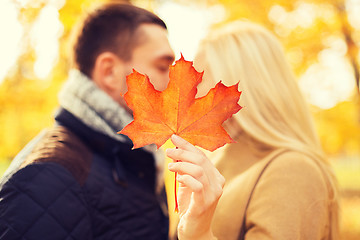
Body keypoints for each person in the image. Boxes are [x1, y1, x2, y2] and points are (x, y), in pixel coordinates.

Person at [0, 3, 223, 240]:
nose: (174, 81)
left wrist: (194, 231)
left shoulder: (134, 161)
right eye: (162, 66)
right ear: (109, 71)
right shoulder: (45, 179)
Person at [186, 21, 338, 239]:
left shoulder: (293, 171)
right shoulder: (216, 165)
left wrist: (198, 235)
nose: (191, 94)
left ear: (240, 87)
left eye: (198, 79)